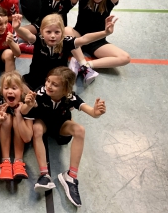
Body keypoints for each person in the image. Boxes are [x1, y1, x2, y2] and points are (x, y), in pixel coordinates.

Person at [21, 67, 106, 207]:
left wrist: (96, 112)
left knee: (80, 130)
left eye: (55, 84)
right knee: (36, 128)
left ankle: (71, 177)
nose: (48, 85)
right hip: (43, 123)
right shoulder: (41, 92)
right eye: (48, 81)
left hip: (61, 125)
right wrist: (28, 104)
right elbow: (24, 112)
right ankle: (44, 175)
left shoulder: (70, 97)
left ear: (66, 89)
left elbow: (92, 112)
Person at [12, 13, 117, 90]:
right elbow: (28, 35)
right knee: (20, 91)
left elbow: (84, 39)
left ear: (62, 32)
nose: (53, 36)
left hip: (57, 81)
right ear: (41, 32)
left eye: (57, 32)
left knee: (65, 105)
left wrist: (105, 32)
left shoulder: (66, 42)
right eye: (48, 32)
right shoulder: (39, 40)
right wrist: (17, 28)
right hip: (35, 78)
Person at [67, 0, 137, 70]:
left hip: (97, 42)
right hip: (79, 35)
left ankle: (86, 66)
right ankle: (80, 60)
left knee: (125, 58)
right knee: (62, 30)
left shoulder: (109, 1)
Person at [0, 71, 32, 181]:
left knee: (15, 119)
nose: (10, 91)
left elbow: (27, 137)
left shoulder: (27, 104)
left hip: (21, 133)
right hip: (2, 135)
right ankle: (5, 162)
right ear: (2, 90)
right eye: (6, 88)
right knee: (7, 119)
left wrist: (19, 115)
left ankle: (18, 162)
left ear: (21, 90)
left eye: (14, 88)